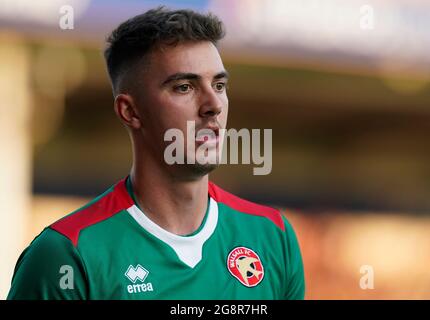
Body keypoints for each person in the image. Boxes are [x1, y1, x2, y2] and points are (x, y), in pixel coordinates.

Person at [7, 7, 305, 300]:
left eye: (219, 85)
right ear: (130, 111)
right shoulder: (67, 254)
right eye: (185, 87)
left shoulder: (273, 236)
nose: (213, 104)